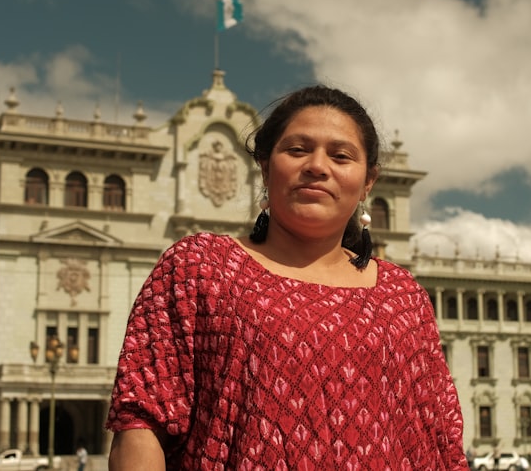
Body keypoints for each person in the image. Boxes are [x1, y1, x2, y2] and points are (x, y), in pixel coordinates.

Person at [105, 85, 468, 469]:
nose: (317, 165)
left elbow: (438, 439)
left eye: (341, 155)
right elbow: (140, 422)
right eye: (297, 149)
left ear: (368, 182)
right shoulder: (200, 267)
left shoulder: (402, 296)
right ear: (264, 166)